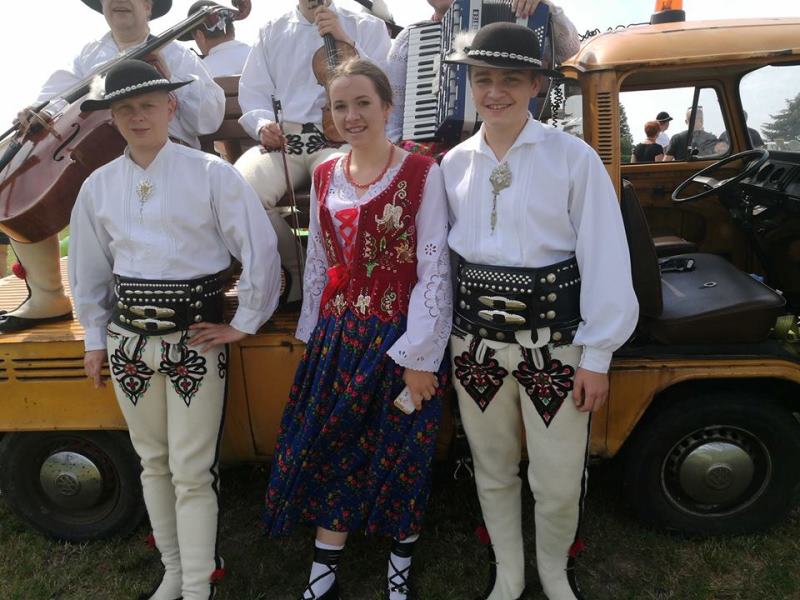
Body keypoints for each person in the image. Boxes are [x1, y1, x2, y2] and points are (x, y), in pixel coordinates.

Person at [69, 59, 281, 600]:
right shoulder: (98, 186)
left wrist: (246, 321)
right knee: (153, 462)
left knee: (191, 467)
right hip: (127, 343)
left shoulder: (210, 173)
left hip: (194, 340)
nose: (137, 117)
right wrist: (94, 338)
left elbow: (259, 246)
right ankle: (172, 571)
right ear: (112, 117)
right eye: (125, 109)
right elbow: (89, 270)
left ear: (171, 106)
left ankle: (198, 582)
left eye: (147, 105)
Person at [440, 23, 638, 600]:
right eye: (482, 78)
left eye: (509, 79)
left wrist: (597, 356)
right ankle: (509, 575)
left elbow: (604, 255)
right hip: (474, 345)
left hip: (556, 345)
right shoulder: (452, 165)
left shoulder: (573, 158)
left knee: (556, 478)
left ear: (535, 85)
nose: (494, 91)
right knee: (492, 467)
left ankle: (554, 574)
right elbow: (442, 263)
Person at [263, 58, 452, 600]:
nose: (352, 115)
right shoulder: (326, 173)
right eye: (340, 105)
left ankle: (399, 570)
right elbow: (320, 261)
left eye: (363, 103)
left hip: (400, 335)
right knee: (334, 447)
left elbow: (435, 267)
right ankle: (323, 573)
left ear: (387, 107)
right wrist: (312, 335)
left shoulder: (422, 172)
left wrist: (420, 358)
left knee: (403, 449)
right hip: (340, 335)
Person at [0, 0, 224, 333]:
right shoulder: (88, 54)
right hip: (101, 161)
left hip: (165, 157)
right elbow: (53, 98)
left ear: (147, 7)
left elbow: (209, 119)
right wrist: (37, 111)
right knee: (21, 178)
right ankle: (48, 295)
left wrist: (167, 73)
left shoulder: (177, 54)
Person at [234, 0, 391, 304]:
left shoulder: (367, 25)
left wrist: (347, 41)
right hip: (285, 140)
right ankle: (295, 267)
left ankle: (344, 280)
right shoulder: (272, 30)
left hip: (342, 139)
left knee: (339, 189)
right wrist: (263, 124)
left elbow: (385, 87)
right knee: (240, 189)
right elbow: (253, 92)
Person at [386, 0, 581, 145]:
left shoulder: (514, 17)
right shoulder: (410, 39)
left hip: (520, 145)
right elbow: (392, 121)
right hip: (435, 161)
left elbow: (569, 51)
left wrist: (548, 7)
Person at [178, 0, 252, 77]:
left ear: (200, 35)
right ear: (232, 31)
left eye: (195, 39)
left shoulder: (200, 72)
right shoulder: (255, 54)